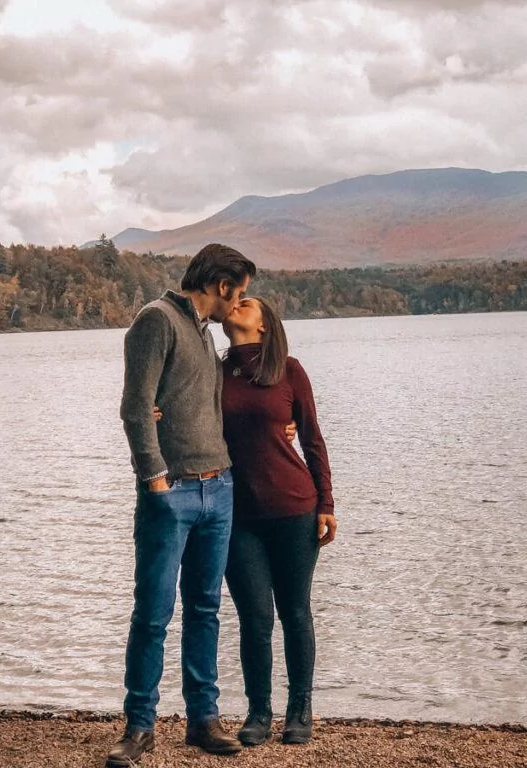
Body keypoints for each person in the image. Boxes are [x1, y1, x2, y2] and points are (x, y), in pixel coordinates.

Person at [109, 243, 255, 768]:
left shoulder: (203, 331)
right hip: (172, 494)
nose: (239, 302)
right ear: (220, 286)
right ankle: (139, 727)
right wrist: (154, 480)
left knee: (205, 610)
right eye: (238, 292)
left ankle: (202, 720)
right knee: (153, 613)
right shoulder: (157, 320)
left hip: (220, 490)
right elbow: (134, 408)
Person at [220, 296, 337, 746]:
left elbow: (312, 439)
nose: (235, 304)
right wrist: (156, 411)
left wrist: (326, 502)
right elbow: (188, 418)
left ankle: (300, 709)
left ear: (265, 325)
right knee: (254, 616)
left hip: (295, 508)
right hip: (238, 516)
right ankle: (258, 713)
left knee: (295, 611)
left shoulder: (289, 370)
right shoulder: (216, 371)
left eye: (245, 302)